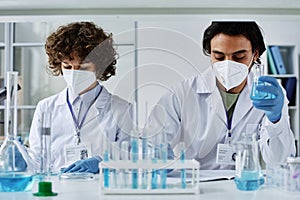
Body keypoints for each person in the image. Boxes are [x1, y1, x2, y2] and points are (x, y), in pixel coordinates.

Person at [144, 21, 296, 170]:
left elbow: (279, 161)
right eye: (219, 57)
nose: (228, 64)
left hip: (244, 185)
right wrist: (158, 158)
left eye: (239, 57)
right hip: (197, 185)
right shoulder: (182, 93)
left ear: (255, 54)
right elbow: (152, 143)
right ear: (210, 54)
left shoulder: (270, 95)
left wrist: (276, 121)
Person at [28, 21, 132, 173]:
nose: (75, 73)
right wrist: (22, 159)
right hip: (58, 191)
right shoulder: (45, 108)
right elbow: (37, 161)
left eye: (83, 67)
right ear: (59, 65)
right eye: (67, 66)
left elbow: (131, 158)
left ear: (100, 65)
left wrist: (102, 163)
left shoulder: (122, 110)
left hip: (101, 192)